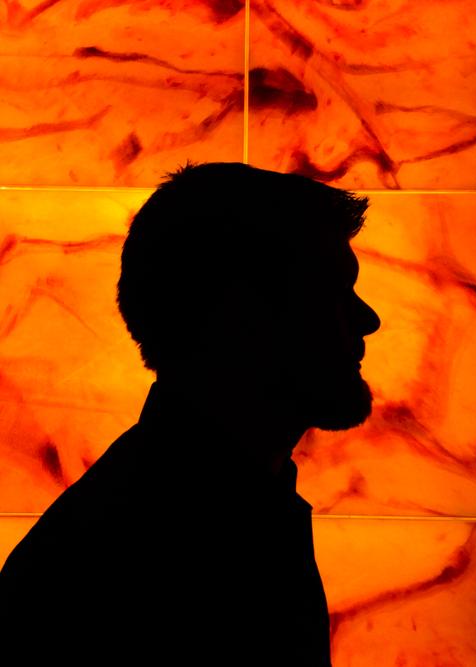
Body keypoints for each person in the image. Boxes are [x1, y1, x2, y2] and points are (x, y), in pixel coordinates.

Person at [0, 162, 380, 665]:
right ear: (243, 318)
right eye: (332, 293)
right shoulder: (141, 559)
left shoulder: (213, 516)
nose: (367, 319)